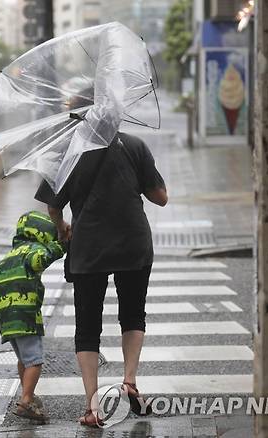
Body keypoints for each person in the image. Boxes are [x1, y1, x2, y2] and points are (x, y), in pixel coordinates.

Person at [35, 131, 168, 426]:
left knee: (87, 326)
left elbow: (54, 206)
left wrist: (61, 227)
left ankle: (92, 407)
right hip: (133, 243)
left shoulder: (67, 151)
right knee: (133, 314)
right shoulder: (134, 145)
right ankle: (129, 381)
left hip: (89, 247)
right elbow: (161, 198)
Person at [0, 211, 66, 422]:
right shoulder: (33, 249)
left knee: (23, 359)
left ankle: (28, 396)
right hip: (25, 315)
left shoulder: (10, 255)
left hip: (5, 316)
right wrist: (62, 247)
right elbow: (39, 260)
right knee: (35, 360)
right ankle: (26, 399)